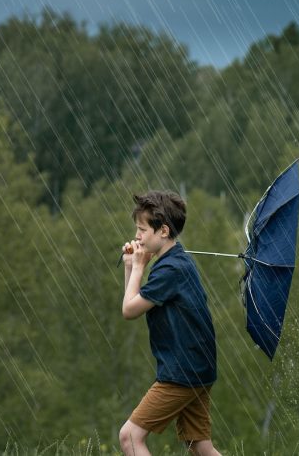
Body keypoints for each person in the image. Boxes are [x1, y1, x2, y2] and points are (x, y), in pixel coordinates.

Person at [117, 190, 220, 456]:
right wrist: (131, 266)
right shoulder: (176, 261)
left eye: (142, 230)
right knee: (199, 446)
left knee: (129, 437)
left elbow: (129, 310)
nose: (137, 236)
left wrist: (139, 268)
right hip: (198, 367)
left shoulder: (170, 270)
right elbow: (133, 298)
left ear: (163, 231)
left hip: (182, 371)